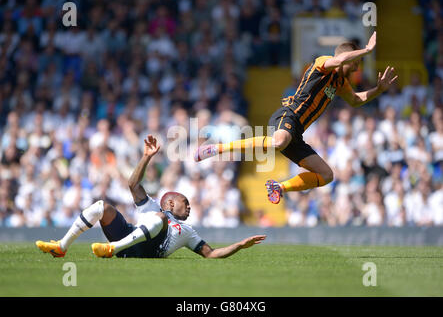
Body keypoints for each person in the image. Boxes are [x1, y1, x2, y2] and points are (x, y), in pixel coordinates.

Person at [194, 31, 398, 204]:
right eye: (356, 62)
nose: (356, 68)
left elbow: (354, 100)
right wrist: (368, 50)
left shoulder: (340, 83)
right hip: (287, 115)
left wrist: (378, 90)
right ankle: (216, 149)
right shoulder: (322, 63)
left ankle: (279, 187)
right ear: (348, 58)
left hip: (297, 132)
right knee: (279, 140)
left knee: (326, 175)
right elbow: (340, 60)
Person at [36, 135, 266, 259]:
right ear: (170, 203)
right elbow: (132, 183)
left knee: (159, 219)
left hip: (146, 252)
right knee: (101, 207)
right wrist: (146, 157)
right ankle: (62, 247)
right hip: (128, 238)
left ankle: (112, 249)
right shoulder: (153, 207)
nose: (189, 208)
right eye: (185, 203)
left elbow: (211, 254)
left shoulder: (187, 232)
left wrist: (240, 245)